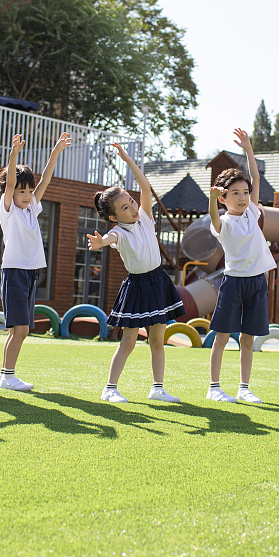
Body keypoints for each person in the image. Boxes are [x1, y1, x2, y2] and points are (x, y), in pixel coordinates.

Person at [89, 143, 184, 404]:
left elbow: (145, 188)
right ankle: (110, 389)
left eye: (131, 202)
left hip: (159, 281)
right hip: (137, 286)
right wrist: (100, 242)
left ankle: (158, 389)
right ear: (113, 217)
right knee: (129, 341)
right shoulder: (118, 232)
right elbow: (109, 238)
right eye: (124, 208)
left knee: (157, 339)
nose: (132, 208)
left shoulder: (144, 217)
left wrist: (129, 160)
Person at [0, 132, 71, 392]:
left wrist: (55, 152)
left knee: (21, 330)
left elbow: (46, 179)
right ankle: (7, 377)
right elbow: (9, 184)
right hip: (14, 272)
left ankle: (6, 376)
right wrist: (13, 155)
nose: (27, 195)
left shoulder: (32, 208)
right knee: (20, 329)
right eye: (22, 191)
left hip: (30, 273)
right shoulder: (7, 210)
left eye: (29, 190)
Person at [206, 128, 277, 404]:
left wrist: (248, 149)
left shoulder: (252, 213)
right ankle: (214, 387)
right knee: (222, 336)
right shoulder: (224, 223)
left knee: (248, 338)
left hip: (257, 282)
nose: (243, 197)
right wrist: (211, 199)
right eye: (235, 193)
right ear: (223, 199)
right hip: (233, 283)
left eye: (245, 192)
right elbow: (214, 218)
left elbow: (256, 177)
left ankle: (244, 388)